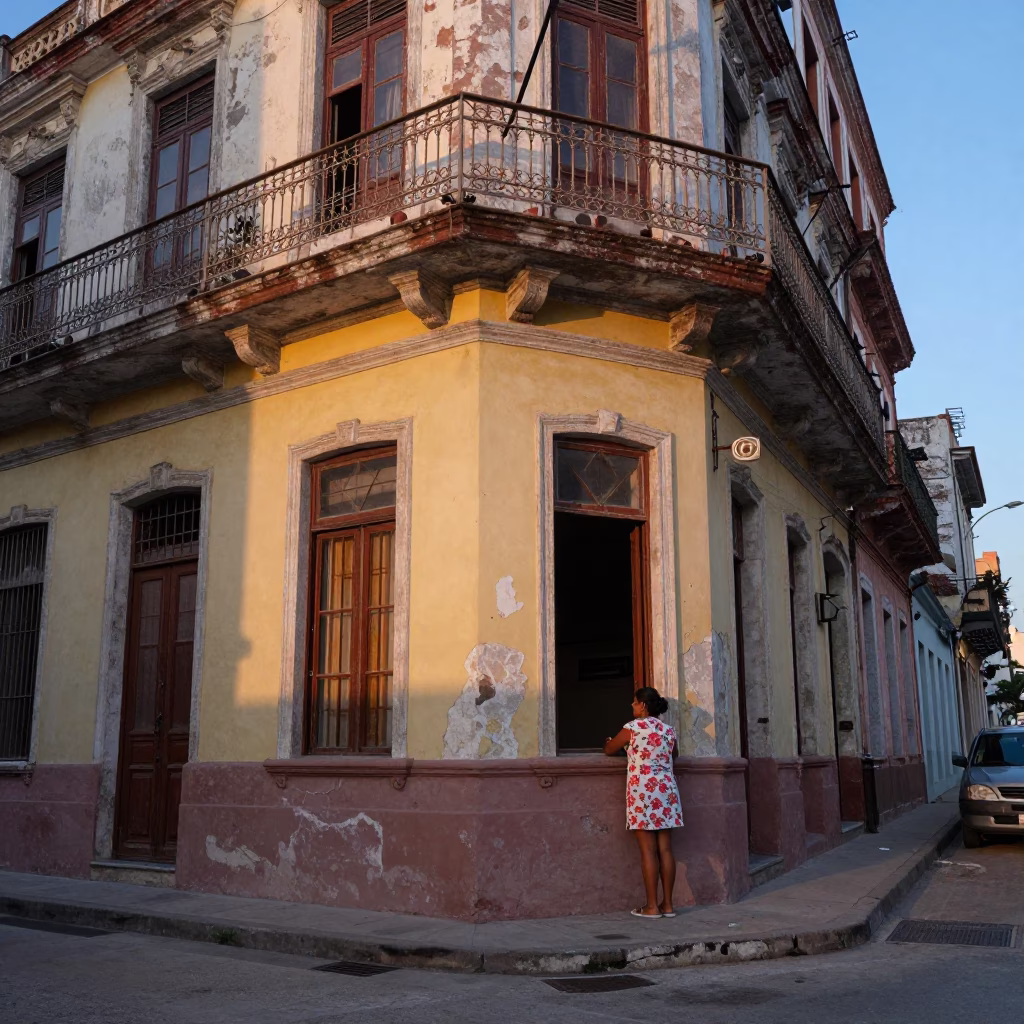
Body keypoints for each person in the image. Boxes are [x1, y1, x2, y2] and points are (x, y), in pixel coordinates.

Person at [603, 686, 683, 918]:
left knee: (648, 850)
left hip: (643, 793)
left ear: (644, 705)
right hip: (666, 791)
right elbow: (673, 755)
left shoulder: (633, 728)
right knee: (665, 849)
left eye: (635, 702)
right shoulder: (668, 730)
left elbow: (609, 749)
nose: (632, 705)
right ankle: (668, 905)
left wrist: (612, 742)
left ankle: (651, 907)